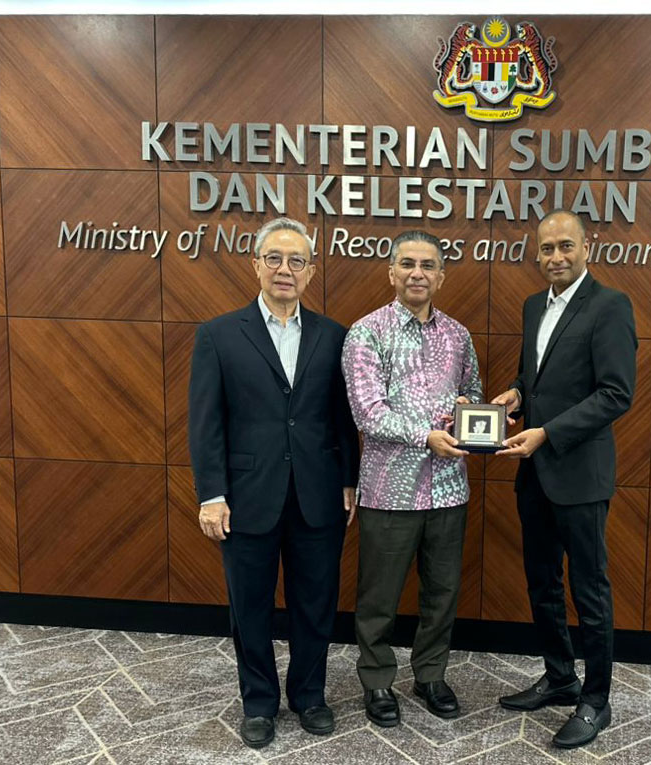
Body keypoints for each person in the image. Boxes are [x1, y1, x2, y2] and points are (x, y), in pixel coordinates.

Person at [188, 217, 359, 749]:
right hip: (246, 497)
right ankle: (258, 702)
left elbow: (343, 416)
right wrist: (212, 495)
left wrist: (350, 480)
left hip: (319, 495)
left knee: (316, 603)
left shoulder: (335, 335)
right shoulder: (218, 334)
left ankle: (310, 695)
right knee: (250, 606)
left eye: (297, 261)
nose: (286, 269)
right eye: (275, 258)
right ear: (256, 265)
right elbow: (206, 422)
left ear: (311, 270)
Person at [491, 209, 637, 749]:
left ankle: (595, 700)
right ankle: (558, 677)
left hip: (579, 472)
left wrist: (546, 432)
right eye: (547, 248)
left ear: (587, 247)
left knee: (589, 589)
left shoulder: (610, 306)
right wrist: (515, 394)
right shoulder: (535, 306)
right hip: (535, 473)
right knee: (542, 581)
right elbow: (540, 377)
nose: (555, 256)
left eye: (565, 246)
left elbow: (616, 392)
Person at [342, 230, 482, 728]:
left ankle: (430, 675)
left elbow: (472, 389)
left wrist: (469, 408)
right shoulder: (365, 333)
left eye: (427, 265)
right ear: (391, 273)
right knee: (378, 598)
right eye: (407, 264)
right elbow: (367, 411)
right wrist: (426, 436)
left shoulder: (458, 335)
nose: (417, 273)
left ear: (441, 276)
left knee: (441, 594)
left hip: (449, 487)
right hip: (388, 489)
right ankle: (378, 681)